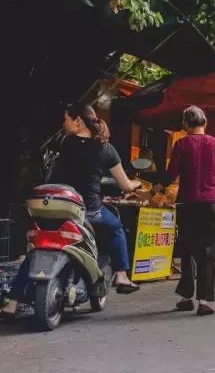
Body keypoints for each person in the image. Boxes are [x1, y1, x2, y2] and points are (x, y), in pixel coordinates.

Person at [2, 103, 141, 315]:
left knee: (36, 251)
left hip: (53, 208)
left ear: (78, 121)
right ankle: (121, 275)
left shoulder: (62, 144)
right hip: (87, 212)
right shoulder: (106, 149)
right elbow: (125, 185)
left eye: (66, 118)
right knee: (115, 227)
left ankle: (12, 302)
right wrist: (136, 185)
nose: (63, 123)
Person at [162, 106, 215, 316]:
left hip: (188, 204)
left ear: (185, 124)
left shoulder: (181, 144)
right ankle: (204, 301)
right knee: (208, 252)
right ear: (205, 123)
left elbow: (171, 174)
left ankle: (186, 298)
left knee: (187, 250)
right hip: (213, 204)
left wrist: (155, 182)